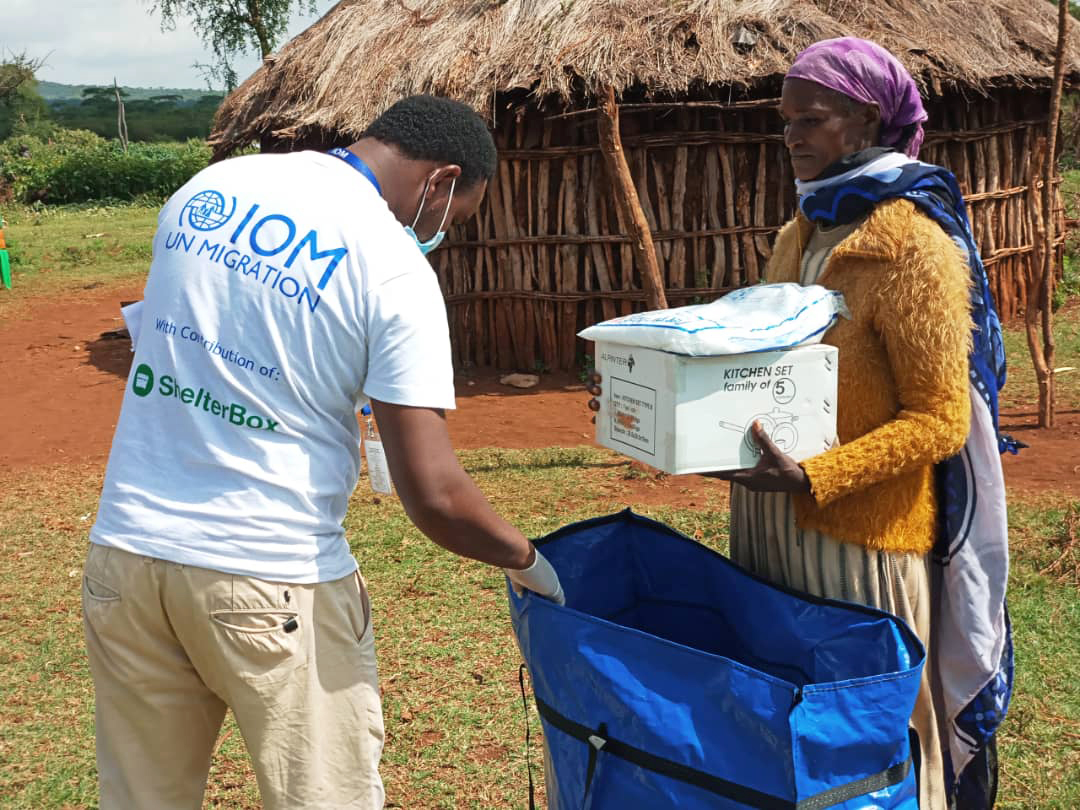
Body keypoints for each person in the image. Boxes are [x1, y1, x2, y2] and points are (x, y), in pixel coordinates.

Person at [84, 94, 563, 810]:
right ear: (441, 181)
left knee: (142, 797)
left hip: (123, 560)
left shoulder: (208, 191)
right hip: (271, 578)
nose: (440, 235)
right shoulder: (393, 268)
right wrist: (528, 562)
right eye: (453, 220)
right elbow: (432, 493)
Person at [588, 39, 1011, 810]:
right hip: (769, 531)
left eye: (811, 119)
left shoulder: (911, 247)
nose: (791, 136)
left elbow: (942, 420)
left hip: (861, 547)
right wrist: (657, 403)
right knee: (785, 722)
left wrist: (817, 475)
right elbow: (756, 366)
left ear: (867, 122)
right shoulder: (800, 235)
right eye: (786, 121)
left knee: (873, 736)